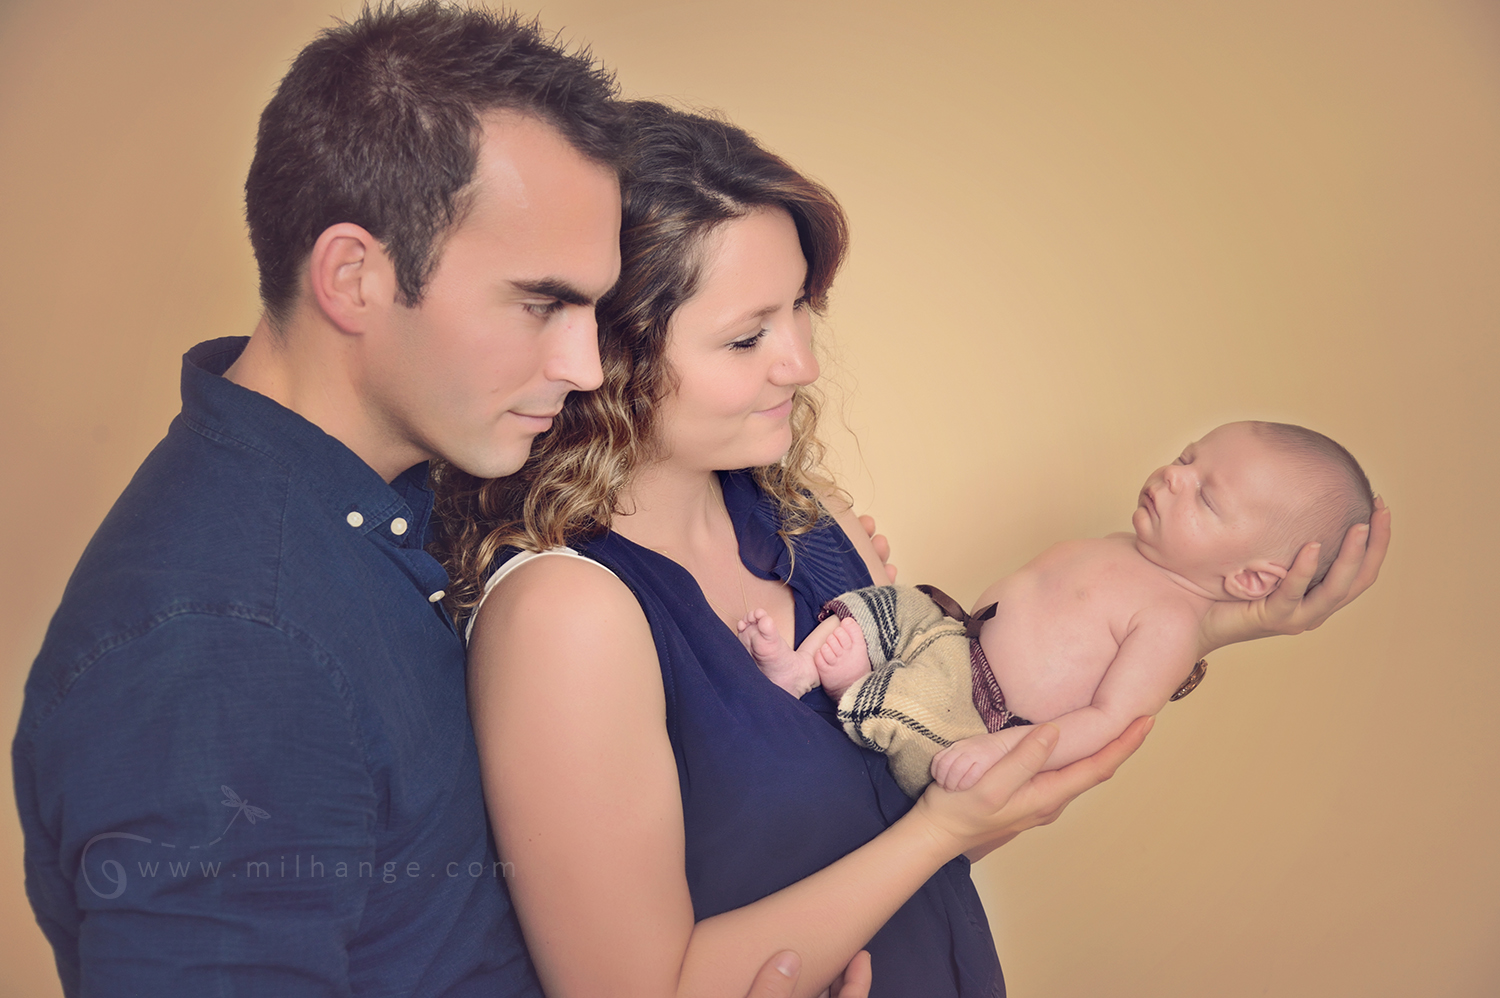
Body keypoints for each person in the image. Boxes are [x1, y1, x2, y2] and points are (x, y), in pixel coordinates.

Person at [432, 102, 1388, 998]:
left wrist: (1212, 622)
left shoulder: (815, 528)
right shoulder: (567, 615)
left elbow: (900, 823)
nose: (803, 362)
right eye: (747, 338)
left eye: (800, 308)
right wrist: (940, 830)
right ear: (610, 355)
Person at [10, 6, 845, 996]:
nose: (586, 366)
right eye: (541, 302)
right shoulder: (223, 647)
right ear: (353, 277)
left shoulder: (397, 507)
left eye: (592, 305)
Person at [738, 421, 1379, 795]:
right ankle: (800, 669)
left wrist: (1006, 754)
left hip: (982, 716)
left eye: (1206, 498)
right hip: (952, 639)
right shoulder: (1132, 548)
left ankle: (858, 690)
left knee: (924, 734)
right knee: (887, 604)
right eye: (1187, 458)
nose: (1172, 476)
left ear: (1250, 578)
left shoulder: (1173, 623)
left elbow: (1105, 719)